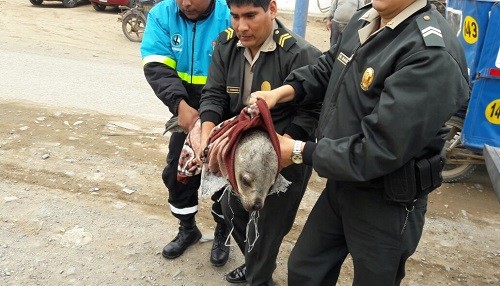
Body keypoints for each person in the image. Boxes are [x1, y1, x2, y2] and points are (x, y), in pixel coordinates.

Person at [250, 0, 470, 284]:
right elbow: (329, 67)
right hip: (342, 182)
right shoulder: (366, 18)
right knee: (306, 269)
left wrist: (296, 151)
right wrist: (282, 92)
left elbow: (378, 148)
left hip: (386, 199)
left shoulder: (430, 54)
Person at [197, 0, 322, 284]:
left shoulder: (300, 53)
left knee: (269, 226)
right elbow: (213, 95)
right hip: (241, 152)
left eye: (251, 16)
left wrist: (283, 151)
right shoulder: (226, 46)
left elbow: (311, 113)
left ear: (272, 10)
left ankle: (259, 276)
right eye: (235, 16)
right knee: (232, 208)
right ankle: (257, 265)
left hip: (286, 154)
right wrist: (207, 137)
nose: (242, 26)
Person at [140, 0, 232, 267]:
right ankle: (188, 228)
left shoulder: (229, 14)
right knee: (178, 172)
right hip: (184, 105)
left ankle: (223, 231)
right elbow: (156, 65)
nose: (186, 3)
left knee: (223, 173)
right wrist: (180, 105)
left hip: (224, 105)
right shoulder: (162, 15)